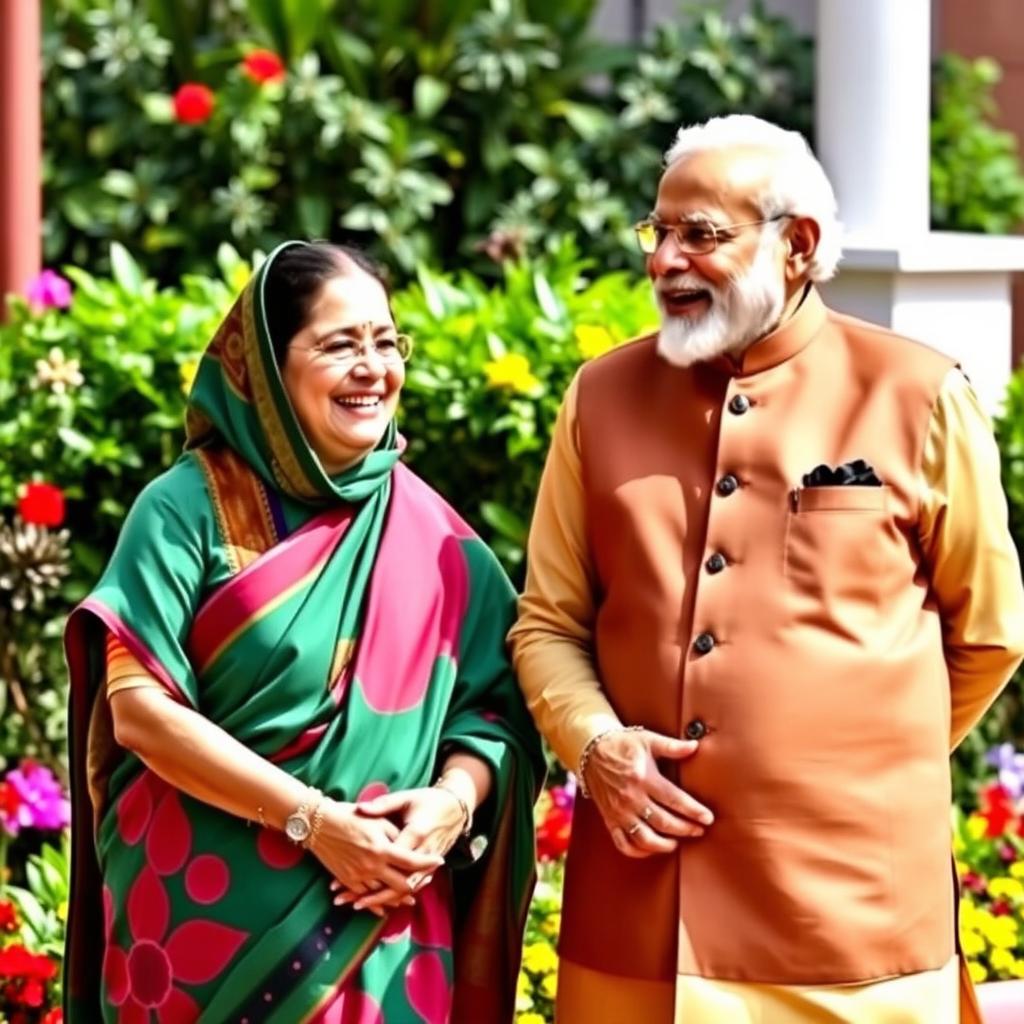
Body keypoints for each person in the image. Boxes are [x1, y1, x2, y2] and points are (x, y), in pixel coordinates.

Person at [509, 114, 1024, 1024]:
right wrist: (597, 750)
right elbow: (548, 622)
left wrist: (854, 766)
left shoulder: (919, 394)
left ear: (800, 246)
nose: (666, 259)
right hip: (640, 907)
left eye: (702, 235)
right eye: (658, 231)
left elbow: (986, 634)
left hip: (857, 921)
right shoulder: (600, 395)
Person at [64, 240, 544, 1023]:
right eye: (339, 345)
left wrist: (453, 805)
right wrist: (317, 825)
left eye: (387, 342)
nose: (373, 368)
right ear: (268, 371)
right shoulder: (186, 509)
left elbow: (496, 712)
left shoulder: (437, 540)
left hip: (384, 930)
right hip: (197, 934)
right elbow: (139, 713)